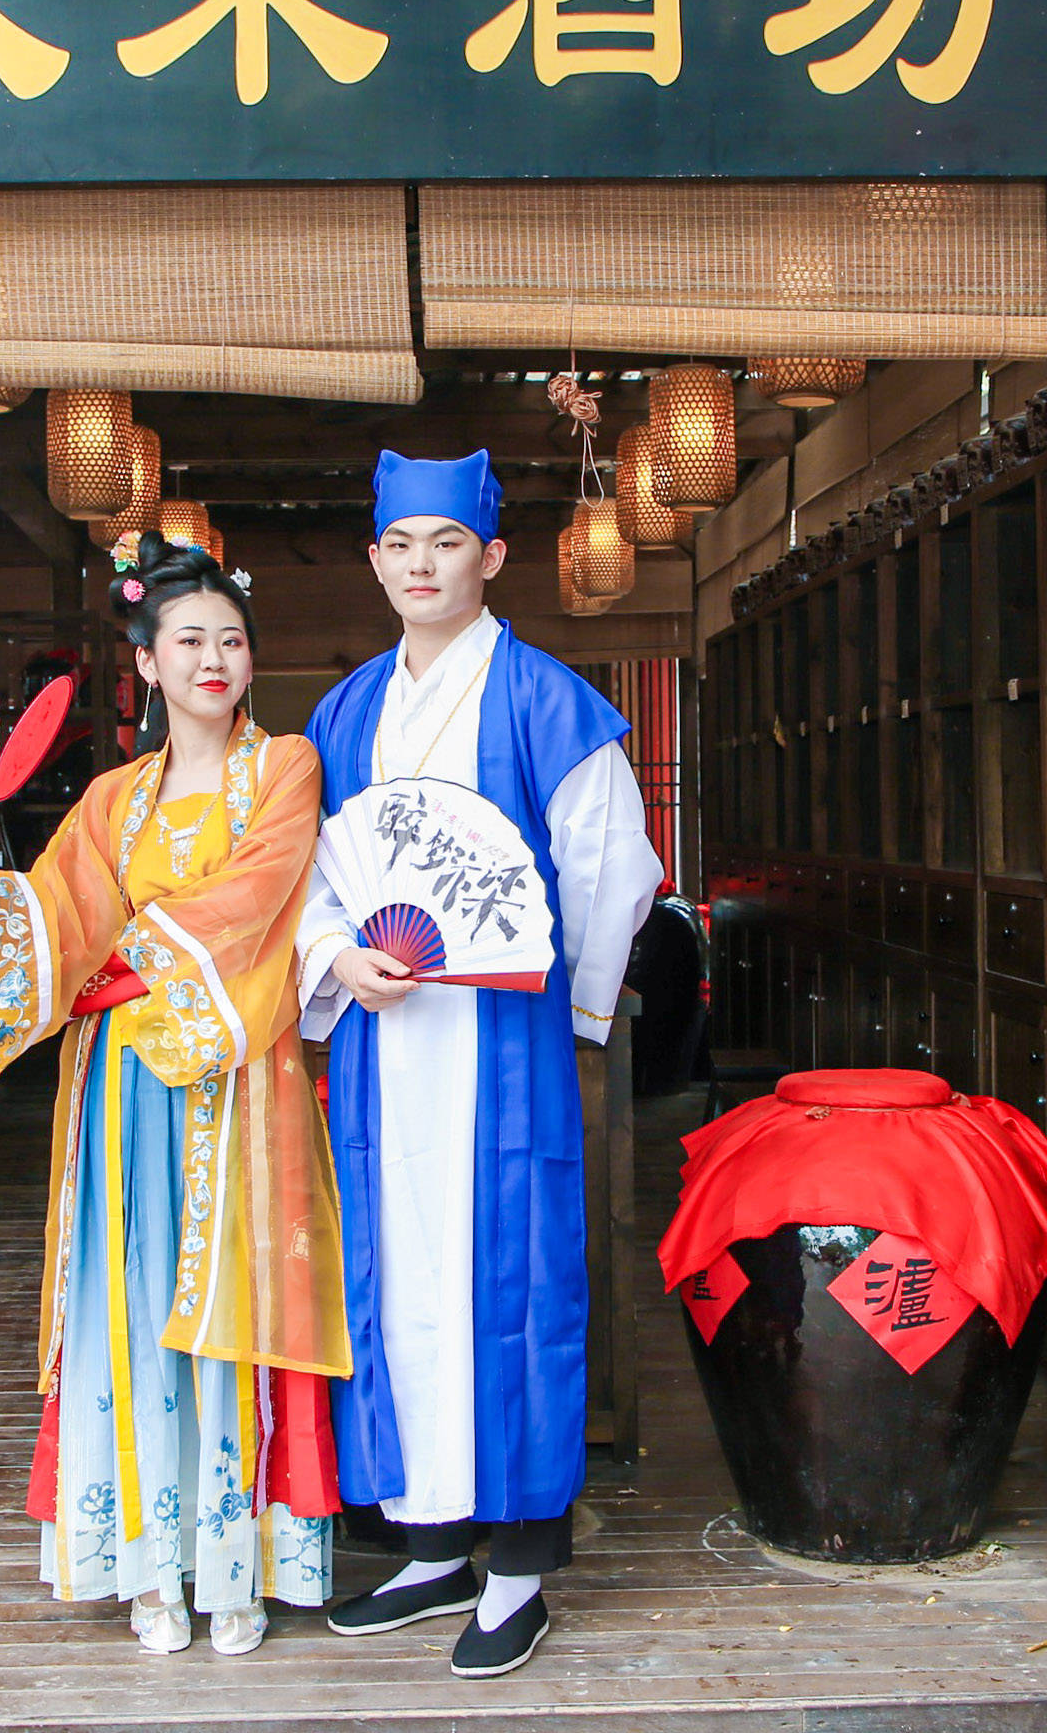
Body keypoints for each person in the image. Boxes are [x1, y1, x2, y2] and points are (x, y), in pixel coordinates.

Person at [0, 534, 348, 1658]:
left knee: (233, 1297)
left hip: (237, 1075)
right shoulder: (114, 798)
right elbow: (56, 924)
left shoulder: (286, 767)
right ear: (148, 663)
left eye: (231, 640)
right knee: (130, 1298)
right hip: (120, 1084)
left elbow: (260, 899)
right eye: (188, 640)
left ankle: (237, 1564)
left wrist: (135, 960)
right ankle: (151, 1565)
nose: (214, 659)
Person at [297, 448, 662, 1678]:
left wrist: (574, 1010)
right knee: (396, 1281)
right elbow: (313, 873)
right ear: (375, 561)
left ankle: (518, 1567)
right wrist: (337, 959)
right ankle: (429, 1543)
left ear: (492, 557)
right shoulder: (347, 712)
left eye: (446, 543)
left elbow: (607, 865)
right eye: (400, 545)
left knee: (510, 1287)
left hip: (502, 1045)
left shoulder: (548, 701)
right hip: (384, 1044)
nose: (422, 565)